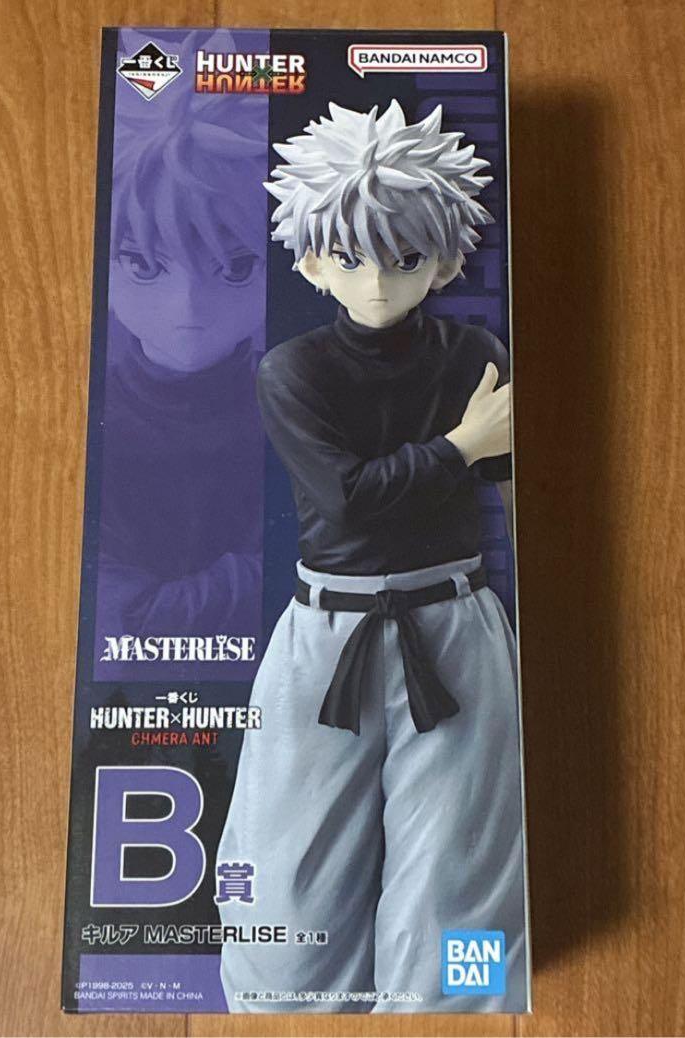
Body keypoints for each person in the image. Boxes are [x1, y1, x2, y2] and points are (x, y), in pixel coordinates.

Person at [217, 99, 529, 1013]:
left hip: (457, 623)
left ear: (446, 259)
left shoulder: (474, 352)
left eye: (405, 256)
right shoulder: (293, 370)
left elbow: (514, 486)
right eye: (351, 257)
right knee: (285, 881)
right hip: (326, 636)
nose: (380, 281)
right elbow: (346, 502)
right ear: (313, 259)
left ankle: (454, 1014)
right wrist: (461, 447)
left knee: (460, 867)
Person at [95, 108, 266, 681]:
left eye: (235, 268)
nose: (189, 306)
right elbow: (123, 624)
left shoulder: (300, 406)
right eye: (145, 266)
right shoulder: (93, 420)